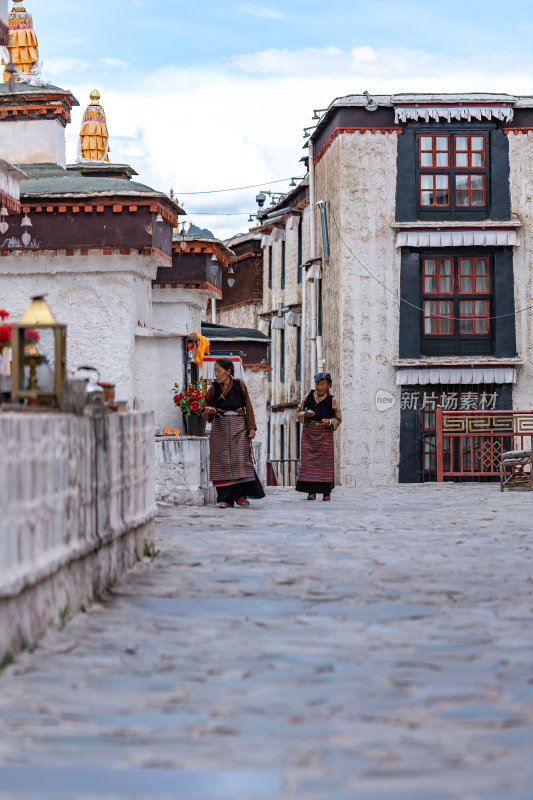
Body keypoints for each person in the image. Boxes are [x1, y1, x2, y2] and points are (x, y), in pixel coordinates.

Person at [203, 358, 265, 509]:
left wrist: (251, 427)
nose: (216, 374)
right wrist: (208, 410)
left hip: (239, 425)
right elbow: (205, 405)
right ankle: (226, 499)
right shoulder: (213, 388)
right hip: (220, 426)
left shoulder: (239, 386)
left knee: (240, 460)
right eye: (214, 371)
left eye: (219, 371)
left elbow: (248, 407)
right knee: (222, 462)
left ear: (228, 371)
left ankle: (241, 496)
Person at [295, 372, 342, 501]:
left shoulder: (332, 399)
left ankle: (326, 492)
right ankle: (311, 491)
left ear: (328, 385)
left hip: (324, 435)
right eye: (317, 384)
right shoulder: (308, 396)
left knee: (324, 464)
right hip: (308, 434)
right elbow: (299, 411)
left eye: (323, 384)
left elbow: (338, 418)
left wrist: (330, 422)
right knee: (309, 463)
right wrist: (305, 414)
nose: (319, 387)